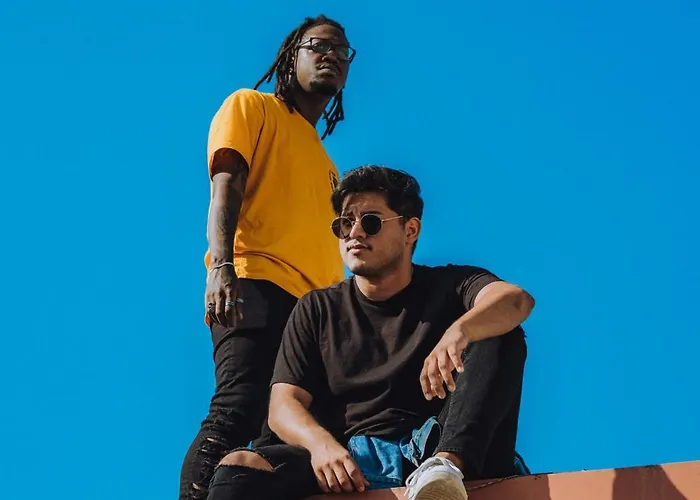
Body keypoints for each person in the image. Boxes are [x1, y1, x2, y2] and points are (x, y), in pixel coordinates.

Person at [206, 166, 536, 500]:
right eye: (344, 223)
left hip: (440, 449)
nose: (354, 233)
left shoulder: (450, 286)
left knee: (497, 331)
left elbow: (515, 300)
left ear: (410, 230)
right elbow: (283, 405)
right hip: (347, 462)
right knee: (239, 467)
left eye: (371, 222)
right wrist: (321, 447)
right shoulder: (317, 308)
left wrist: (460, 331)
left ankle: (444, 475)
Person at [179, 15, 357, 500]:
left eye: (342, 52)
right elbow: (226, 187)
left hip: (313, 317)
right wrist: (221, 268)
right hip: (254, 283)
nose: (331, 56)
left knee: (284, 437)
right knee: (237, 408)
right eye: (318, 46)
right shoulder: (252, 106)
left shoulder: (331, 169)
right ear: (290, 56)